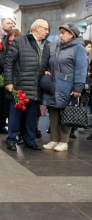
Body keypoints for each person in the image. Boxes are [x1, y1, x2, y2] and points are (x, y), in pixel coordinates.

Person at [4, 19, 51, 151]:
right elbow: (9, 63)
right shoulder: (20, 41)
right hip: (20, 86)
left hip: (36, 87)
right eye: (45, 29)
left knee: (31, 116)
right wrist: (8, 82)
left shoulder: (46, 45)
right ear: (37, 28)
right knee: (15, 115)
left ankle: (30, 140)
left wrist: (48, 71)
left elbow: (46, 63)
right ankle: (11, 140)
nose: (47, 32)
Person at [41, 23, 87, 151]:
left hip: (67, 86)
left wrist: (78, 88)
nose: (60, 35)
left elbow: (81, 69)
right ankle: (54, 139)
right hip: (54, 85)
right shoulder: (59, 46)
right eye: (60, 32)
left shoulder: (78, 48)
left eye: (63, 33)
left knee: (65, 113)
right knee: (54, 113)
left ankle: (64, 141)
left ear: (71, 35)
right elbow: (53, 63)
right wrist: (48, 70)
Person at [0, 28, 21, 135]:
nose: (0, 40)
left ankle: (1, 124)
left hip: (5, 79)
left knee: (4, 105)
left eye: (1, 38)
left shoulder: (4, 50)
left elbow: (4, 65)